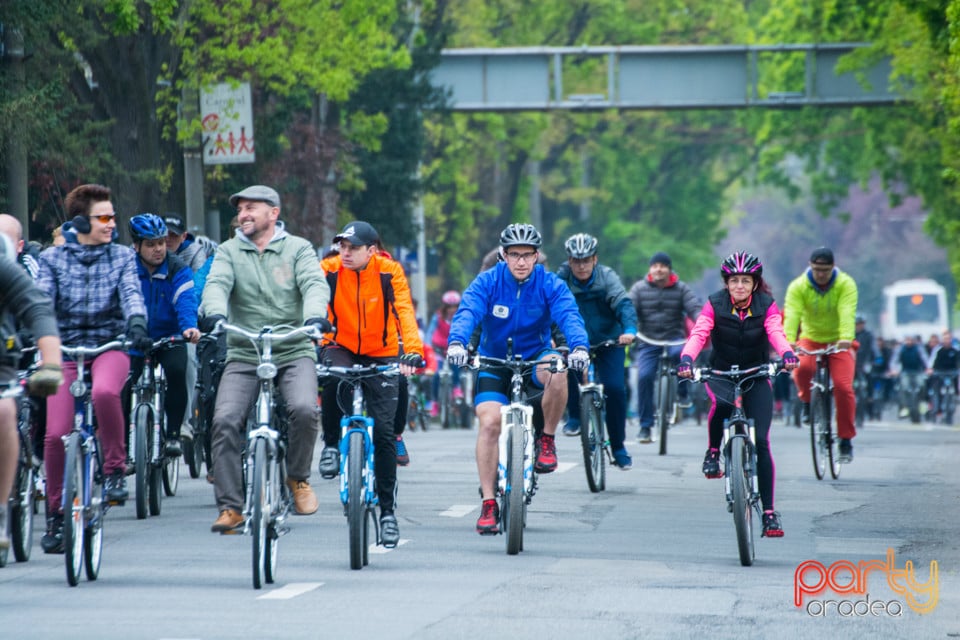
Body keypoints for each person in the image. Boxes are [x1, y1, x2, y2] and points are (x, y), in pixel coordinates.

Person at [200, 185, 331, 534]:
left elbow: (314, 285)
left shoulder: (298, 248)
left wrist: (315, 317)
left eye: (251, 208)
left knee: (305, 410)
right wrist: (213, 313)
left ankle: (298, 478)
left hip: (293, 347)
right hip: (245, 350)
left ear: (273, 213)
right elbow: (216, 284)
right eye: (240, 209)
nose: (243, 214)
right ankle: (230, 507)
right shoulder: (228, 251)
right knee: (225, 420)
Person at [446, 223, 590, 535]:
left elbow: (569, 315)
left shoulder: (549, 283)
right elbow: (468, 311)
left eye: (527, 255)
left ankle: (547, 440)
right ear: (504, 255)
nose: (521, 261)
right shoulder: (488, 281)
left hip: (534, 359)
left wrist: (579, 347)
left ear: (537, 256)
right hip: (494, 362)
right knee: (489, 424)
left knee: (558, 368)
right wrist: (457, 343)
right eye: (514, 255)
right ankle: (488, 502)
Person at [36, 183, 150, 553]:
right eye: (104, 217)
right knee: (55, 435)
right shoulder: (53, 260)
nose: (112, 223)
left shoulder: (120, 257)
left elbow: (132, 293)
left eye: (112, 217)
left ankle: (115, 468)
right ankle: (56, 515)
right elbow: (41, 303)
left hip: (109, 345)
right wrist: (35, 331)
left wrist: (136, 323)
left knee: (103, 391)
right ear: (81, 223)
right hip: (65, 350)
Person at [316, 221, 423, 548]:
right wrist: (312, 338)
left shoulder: (389, 271)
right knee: (332, 378)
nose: (344, 253)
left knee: (386, 433)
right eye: (342, 247)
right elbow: (313, 303)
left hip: (383, 351)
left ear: (371, 250)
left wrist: (413, 351)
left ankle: (388, 514)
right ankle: (332, 445)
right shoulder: (329, 269)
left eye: (352, 248)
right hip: (340, 345)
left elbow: (404, 311)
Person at [678, 252, 797, 537]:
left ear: (755, 283)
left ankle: (769, 513)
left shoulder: (766, 305)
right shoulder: (715, 304)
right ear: (727, 283)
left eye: (746, 280)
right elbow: (700, 332)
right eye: (734, 281)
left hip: (756, 374)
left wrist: (787, 353)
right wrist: (686, 359)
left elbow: (775, 331)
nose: (740, 286)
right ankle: (714, 451)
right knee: (722, 403)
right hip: (721, 372)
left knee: (764, 443)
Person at [0, 233, 64, 550]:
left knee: (4, 412)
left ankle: (1, 508)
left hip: (3, 358)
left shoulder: (4, 266)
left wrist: (50, 363)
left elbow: (38, 309)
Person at [556, 233, 638, 469]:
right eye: (576, 260)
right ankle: (574, 416)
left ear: (595, 259)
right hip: (573, 341)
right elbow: (550, 308)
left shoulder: (607, 276)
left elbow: (622, 303)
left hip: (608, 340)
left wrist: (629, 330)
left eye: (586, 260)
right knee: (568, 369)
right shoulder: (560, 279)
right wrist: (553, 338)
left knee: (614, 389)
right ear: (569, 261)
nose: (582, 266)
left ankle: (619, 446)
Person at [125, 214, 201, 457]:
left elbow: (185, 300)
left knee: (178, 371)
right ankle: (124, 445)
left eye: (160, 243)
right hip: (135, 338)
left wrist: (188, 327)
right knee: (123, 384)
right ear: (136, 246)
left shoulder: (177, 267)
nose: (158, 249)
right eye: (150, 244)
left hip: (170, 336)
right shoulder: (126, 267)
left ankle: (173, 434)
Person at [783, 247, 858, 461]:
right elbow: (792, 314)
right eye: (816, 269)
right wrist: (788, 341)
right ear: (810, 266)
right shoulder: (798, 286)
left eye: (825, 270)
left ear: (833, 267)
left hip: (839, 341)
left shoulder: (846, 284)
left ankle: (845, 440)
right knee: (802, 369)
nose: (821, 274)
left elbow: (847, 311)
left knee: (844, 388)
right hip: (811, 338)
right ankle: (807, 401)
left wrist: (845, 337)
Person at [627, 251, 702, 443]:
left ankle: (683, 392)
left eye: (663, 266)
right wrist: (628, 329)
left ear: (669, 269)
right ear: (650, 269)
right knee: (644, 377)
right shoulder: (639, 289)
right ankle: (645, 426)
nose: (659, 269)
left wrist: (702, 324)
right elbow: (628, 310)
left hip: (674, 339)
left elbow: (694, 307)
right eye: (655, 266)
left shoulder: (681, 288)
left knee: (683, 359)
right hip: (648, 340)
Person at [425, 290, 463, 418]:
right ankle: (435, 402)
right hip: (439, 350)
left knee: (456, 365)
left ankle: (456, 388)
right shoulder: (438, 317)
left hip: (453, 349)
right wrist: (428, 346)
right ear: (445, 307)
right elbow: (430, 333)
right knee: (435, 375)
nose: (452, 309)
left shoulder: (462, 316)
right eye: (449, 307)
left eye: (455, 307)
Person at [928, 330, 959, 419]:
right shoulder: (938, 350)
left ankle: (953, 404)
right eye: (945, 339)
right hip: (940, 373)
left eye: (949, 339)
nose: (947, 340)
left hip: (952, 373)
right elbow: (932, 361)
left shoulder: (956, 350)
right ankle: (936, 408)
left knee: (954, 389)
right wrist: (930, 369)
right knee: (936, 390)